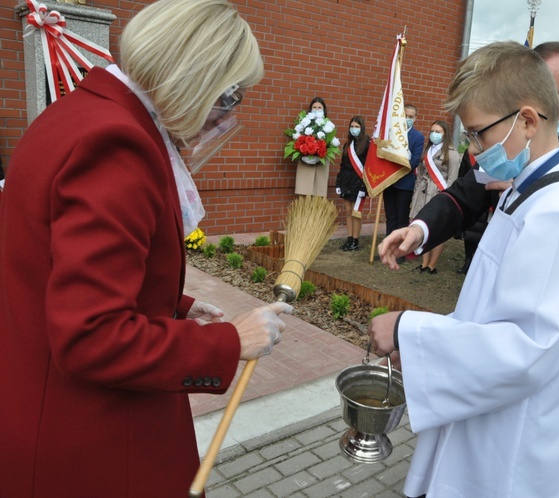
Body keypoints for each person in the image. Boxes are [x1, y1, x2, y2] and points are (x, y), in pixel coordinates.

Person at [0, 1, 293, 495]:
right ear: (196, 78)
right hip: (97, 444)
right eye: (229, 93)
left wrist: (172, 305)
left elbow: (53, 264)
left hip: (39, 407)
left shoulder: (77, 111)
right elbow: (90, 336)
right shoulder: (117, 142)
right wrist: (228, 343)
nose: (225, 110)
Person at [369, 41, 559, 498]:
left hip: (519, 446)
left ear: (526, 120)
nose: (476, 153)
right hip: (494, 411)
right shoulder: (525, 189)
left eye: (479, 134)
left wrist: (411, 330)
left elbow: (526, 350)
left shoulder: (557, 214)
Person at [379, 41, 559, 282]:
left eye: (550, 92)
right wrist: (420, 229)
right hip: (500, 275)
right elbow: (463, 195)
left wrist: (533, 191)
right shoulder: (507, 142)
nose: (537, 102)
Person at [409, 120, 460, 274]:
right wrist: (414, 196)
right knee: (423, 225)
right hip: (422, 192)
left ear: (445, 134)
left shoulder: (451, 152)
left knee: (437, 229)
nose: (434, 134)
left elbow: (452, 179)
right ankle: (424, 263)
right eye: (432, 131)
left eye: (438, 132)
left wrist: (446, 198)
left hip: (438, 193)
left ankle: (432, 265)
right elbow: (420, 175)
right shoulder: (428, 150)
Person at [383, 103, 424, 237]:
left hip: (405, 183)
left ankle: (399, 250)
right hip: (389, 182)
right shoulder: (391, 133)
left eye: (411, 116)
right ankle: (388, 246)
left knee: (402, 218)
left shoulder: (418, 137)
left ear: (415, 118)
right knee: (391, 217)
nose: (408, 118)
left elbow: (415, 161)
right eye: (405, 115)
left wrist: (396, 171)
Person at [335, 115, 370, 251]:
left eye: (357, 127)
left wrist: (364, 186)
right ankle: (349, 239)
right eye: (352, 127)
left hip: (359, 183)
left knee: (356, 213)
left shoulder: (367, 144)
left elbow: (368, 167)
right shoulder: (347, 145)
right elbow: (343, 166)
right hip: (346, 182)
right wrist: (338, 183)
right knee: (348, 211)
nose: (354, 129)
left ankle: (355, 240)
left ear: (361, 128)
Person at [455, 150, 491, 274]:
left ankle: (479, 264)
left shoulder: (495, 153)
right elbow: (462, 175)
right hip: (472, 198)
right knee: (470, 234)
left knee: (484, 234)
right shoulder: (469, 153)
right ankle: (468, 261)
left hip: (489, 199)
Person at [295, 96, 331, 197]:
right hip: (305, 162)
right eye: (314, 107)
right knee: (304, 194)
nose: (316, 110)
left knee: (317, 194)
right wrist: (304, 154)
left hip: (320, 164)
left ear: (324, 110)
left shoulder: (329, 125)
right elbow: (298, 142)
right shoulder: (303, 124)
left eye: (319, 108)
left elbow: (330, 146)